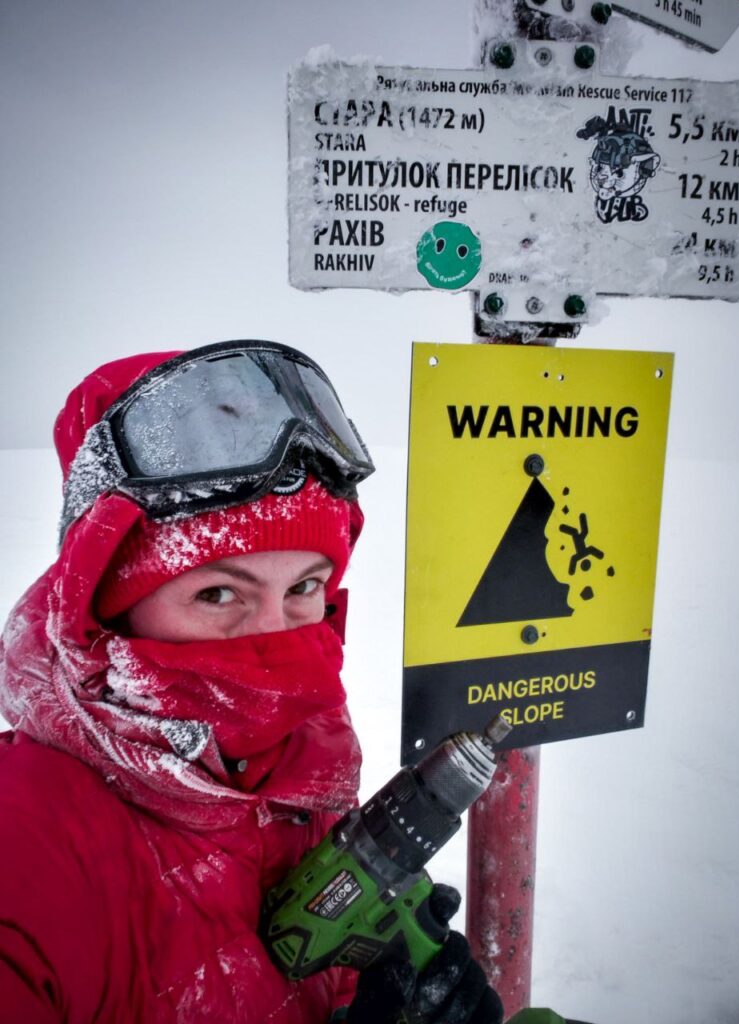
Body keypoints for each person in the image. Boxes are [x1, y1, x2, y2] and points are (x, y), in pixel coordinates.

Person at [0, 340, 503, 1024]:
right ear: (106, 609)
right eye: (217, 594)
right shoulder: (23, 854)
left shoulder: (301, 779)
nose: (274, 638)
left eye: (303, 588)